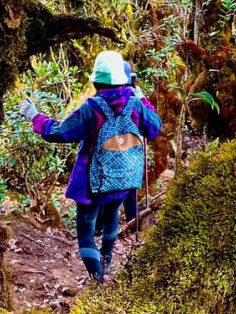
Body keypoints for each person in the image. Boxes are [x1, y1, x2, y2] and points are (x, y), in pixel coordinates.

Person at [20, 50, 162, 282]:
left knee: (85, 231)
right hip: (124, 178)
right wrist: (143, 97)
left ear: (96, 80)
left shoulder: (92, 109)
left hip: (91, 181)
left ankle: (99, 280)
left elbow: (60, 132)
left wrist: (34, 116)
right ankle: (106, 258)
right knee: (112, 214)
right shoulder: (135, 105)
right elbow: (155, 128)